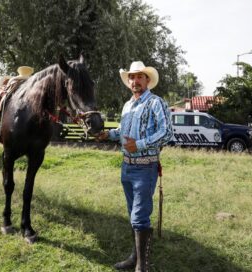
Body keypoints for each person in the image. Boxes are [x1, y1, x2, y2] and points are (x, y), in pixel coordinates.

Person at [97, 61, 173, 271]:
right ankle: (135, 258)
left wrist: (138, 144)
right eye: (131, 77)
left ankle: (142, 266)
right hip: (127, 168)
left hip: (145, 168)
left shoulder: (156, 103)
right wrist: (109, 134)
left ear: (147, 80)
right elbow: (123, 130)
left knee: (139, 216)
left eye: (139, 76)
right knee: (133, 215)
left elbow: (167, 133)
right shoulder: (128, 105)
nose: (135, 80)